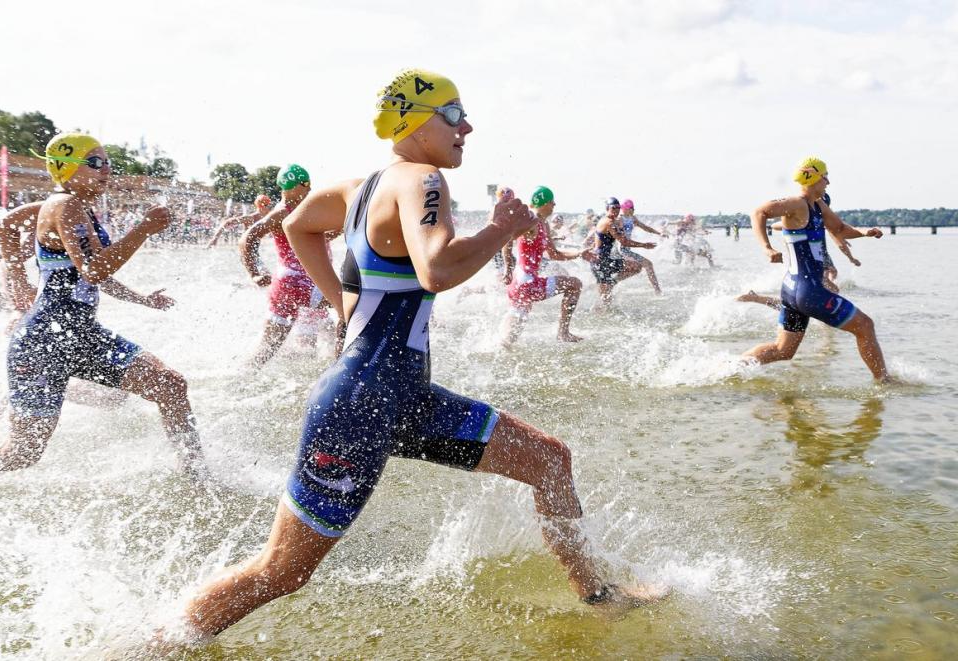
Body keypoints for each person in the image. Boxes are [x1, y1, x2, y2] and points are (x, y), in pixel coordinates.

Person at [174, 68, 665, 646]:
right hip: (358, 408)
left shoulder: (359, 188)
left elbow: (297, 224)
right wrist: (500, 231)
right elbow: (438, 268)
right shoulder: (423, 180)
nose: (468, 127)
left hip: (405, 399)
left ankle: (597, 594)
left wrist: (342, 306)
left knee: (549, 462)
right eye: (454, 114)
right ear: (415, 120)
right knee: (283, 571)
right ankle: (155, 642)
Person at [0, 133, 206, 483]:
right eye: (94, 163)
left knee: (170, 386)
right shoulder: (64, 205)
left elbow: (93, 276)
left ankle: (196, 477)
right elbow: (94, 269)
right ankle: (196, 476)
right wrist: (143, 229)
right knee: (23, 452)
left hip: (77, 334)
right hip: (44, 341)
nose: (105, 169)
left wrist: (142, 299)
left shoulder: (77, 206)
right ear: (66, 168)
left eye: (107, 162)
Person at [742, 157, 892, 381]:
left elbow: (840, 228)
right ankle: (884, 382)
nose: (828, 182)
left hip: (792, 290)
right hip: (809, 291)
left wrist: (864, 232)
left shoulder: (818, 205)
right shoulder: (797, 203)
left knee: (784, 350)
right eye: (825, 176)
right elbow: (758, 213)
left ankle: (731, 367)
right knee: (865, 325)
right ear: (812, 177)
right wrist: (767, 248)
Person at [239, 164, 333, 364]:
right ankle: (349, 371)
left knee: (266, 350)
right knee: (351, 302)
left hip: (289, 286)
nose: (309, 188)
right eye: (305, 183)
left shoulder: (298, 211)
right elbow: (248, 238)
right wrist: (254, 272)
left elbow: (320, 238)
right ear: (291, 185)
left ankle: (239, 380)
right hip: (296, 282)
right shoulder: (281, 212)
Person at [499, 186, 586, 347]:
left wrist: (580, 253)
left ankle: (493, 349)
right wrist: (507, 267)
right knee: (575, 284)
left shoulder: (543, 225)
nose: (554, 205)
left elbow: (554, 254)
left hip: (522, 284)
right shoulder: (530, 221)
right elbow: (507, 238)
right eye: (552, 201)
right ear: (545, 202)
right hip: (526, 283)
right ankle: (563, 333)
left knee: (508, 341)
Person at [590, 197, 659, 308]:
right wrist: (644, 245)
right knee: (605, 302)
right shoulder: (609, 222)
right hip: (600, 263)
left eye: (618, 208)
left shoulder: (613, 222)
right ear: (607, 208)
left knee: (636, 267)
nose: (617, 210)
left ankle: (613, 282)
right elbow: (624, 242)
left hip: (608, 261)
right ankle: (594, 318)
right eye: (614, 208)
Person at [616, 199, 663, 294]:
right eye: (629, 208)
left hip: (627, 250)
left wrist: (659, 233)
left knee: (647, 265)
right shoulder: (620, 219)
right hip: (621, 250)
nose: (632, 210)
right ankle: (657, 290)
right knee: (646, 265)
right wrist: (643, 245)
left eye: (632, 208)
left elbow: (645, 227)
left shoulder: (632, 218)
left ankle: (657, 290)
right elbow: (619, 237)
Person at [206, 194, 273, 247]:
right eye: (269, 205)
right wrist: (215, 238)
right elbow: (227, 222)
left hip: (253, 247)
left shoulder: (267, 218)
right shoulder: (250, 218)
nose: (271, 208)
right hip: (246, 247)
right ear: (262, 206)